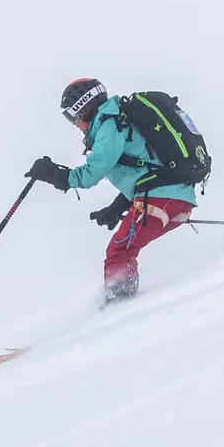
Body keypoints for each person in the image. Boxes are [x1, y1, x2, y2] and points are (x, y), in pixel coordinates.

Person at [27, 78, 197, 302]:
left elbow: (92, 172)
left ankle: (120, 306)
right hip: (175, 200)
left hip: (162, 198)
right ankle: (120, 302)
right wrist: (117, 207)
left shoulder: (109, 123)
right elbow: (143, 171)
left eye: (72, 116)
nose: (75, 124)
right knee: (122, 248)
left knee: (119, 251)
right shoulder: (119, 120)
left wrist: (55, 175)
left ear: (83, 107)